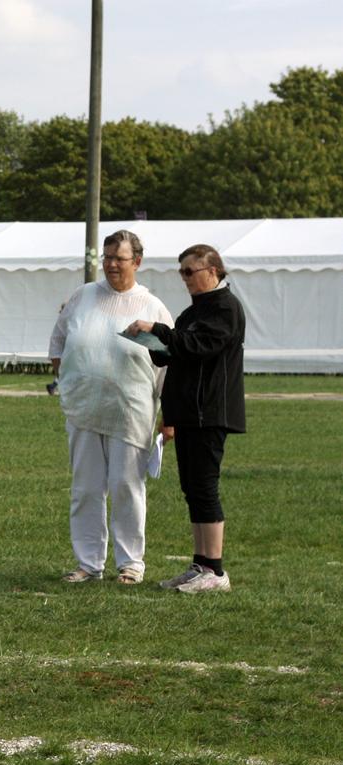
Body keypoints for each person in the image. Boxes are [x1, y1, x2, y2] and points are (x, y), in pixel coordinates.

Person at [48, 230, 173, 585]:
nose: (111, 265)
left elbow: (168, 364)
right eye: (106, 258)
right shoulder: (82, 296)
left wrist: (169, 416)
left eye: (118, 258)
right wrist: (72, 381)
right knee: (86, 488)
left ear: (137, 261)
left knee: (126, 486)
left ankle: (131, 564)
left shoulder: (152, 306)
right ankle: (88, 563)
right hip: (84, 410)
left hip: (131, 412)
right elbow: (58, 342)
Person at [126, 244, 245, 594]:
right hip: (189, 411)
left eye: (189, 272)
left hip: (210, 411)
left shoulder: (225, 307)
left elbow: (200, 346)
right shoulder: (195, 311)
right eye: (181, 273)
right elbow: (175, 354)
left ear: (213, 271)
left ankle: (216, 571)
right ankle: (200, 564)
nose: (185, 279)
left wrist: (161, 331)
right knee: (191, 487)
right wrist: (153, 341)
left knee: (205, 486)